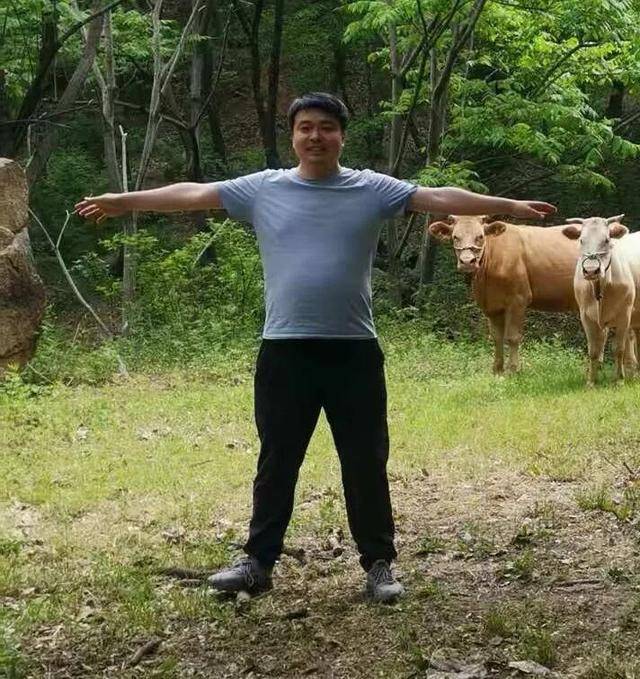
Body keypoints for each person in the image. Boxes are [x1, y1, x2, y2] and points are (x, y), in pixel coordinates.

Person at [75, 92, 555, 603]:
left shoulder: (371, 188)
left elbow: (437, 197)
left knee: (365, 460)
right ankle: (258, 563)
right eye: (305, 127)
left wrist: (508, 207)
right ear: (293, 136)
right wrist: (123, 201)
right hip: (285, 351)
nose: (315, 136)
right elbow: (194, 194)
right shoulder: (263, 188)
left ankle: (379, 565)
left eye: (326, 127)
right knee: (277, 460)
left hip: (354, 351)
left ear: (342, 135)